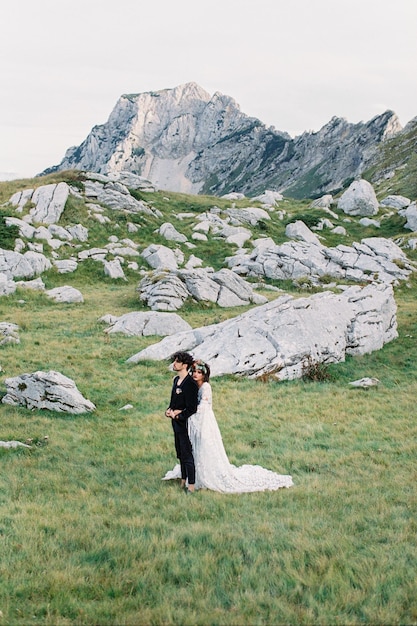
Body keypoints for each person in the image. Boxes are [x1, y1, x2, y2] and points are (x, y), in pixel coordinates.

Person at [163, 359, 294, 493]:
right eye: (194, 372)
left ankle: (204, 475)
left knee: (204, 445)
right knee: (192, 447)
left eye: (199, 373)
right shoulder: (192, 385)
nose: (196, 375)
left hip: (204, 420)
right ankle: (193, 475)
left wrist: (184, 412)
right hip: (193, 420)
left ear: (204, 375)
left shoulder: (206, 387)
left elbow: (203, 406)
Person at [165, 351, 199, 493]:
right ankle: (183, 479)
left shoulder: (190, 383)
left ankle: (191, 485)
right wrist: (169, 410)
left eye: (177, 362)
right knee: (179, 451)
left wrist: (179, 416)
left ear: (184, 365)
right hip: (175, 422)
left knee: (186, 452)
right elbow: (173, 401)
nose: (175, 364)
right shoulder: (175, 380)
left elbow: (192, 408)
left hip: (185, 423)